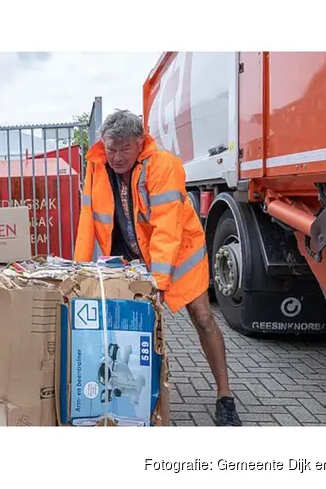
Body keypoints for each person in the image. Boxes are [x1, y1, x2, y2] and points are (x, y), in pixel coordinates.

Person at [74, 109, 242, 426]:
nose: (117, 156)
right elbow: (87, 219)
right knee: (134, 326)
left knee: (203, 318)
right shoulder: (96, 167)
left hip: (180, 255)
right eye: (111, 149)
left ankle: (225, 396)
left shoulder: (163, 165)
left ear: (141, 142)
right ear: (103, 144)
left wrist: (159, 282)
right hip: (131, 259)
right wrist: (80, 272)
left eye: (125, 148)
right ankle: (138, 399)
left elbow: (167, 228)